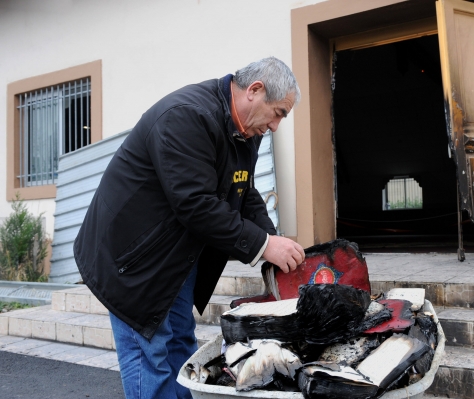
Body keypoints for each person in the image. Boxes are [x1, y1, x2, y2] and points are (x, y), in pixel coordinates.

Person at [73, 57, 305, 399]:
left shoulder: (246, 130)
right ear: (255, 91)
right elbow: (194, 203)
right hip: (133, 258)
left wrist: (272, 238)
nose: (276, 126)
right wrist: (262, 246)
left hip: (176, 255)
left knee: (182, 344)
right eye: (279, 113)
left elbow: (244, 189)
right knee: (149, 353)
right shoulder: (186, 116)